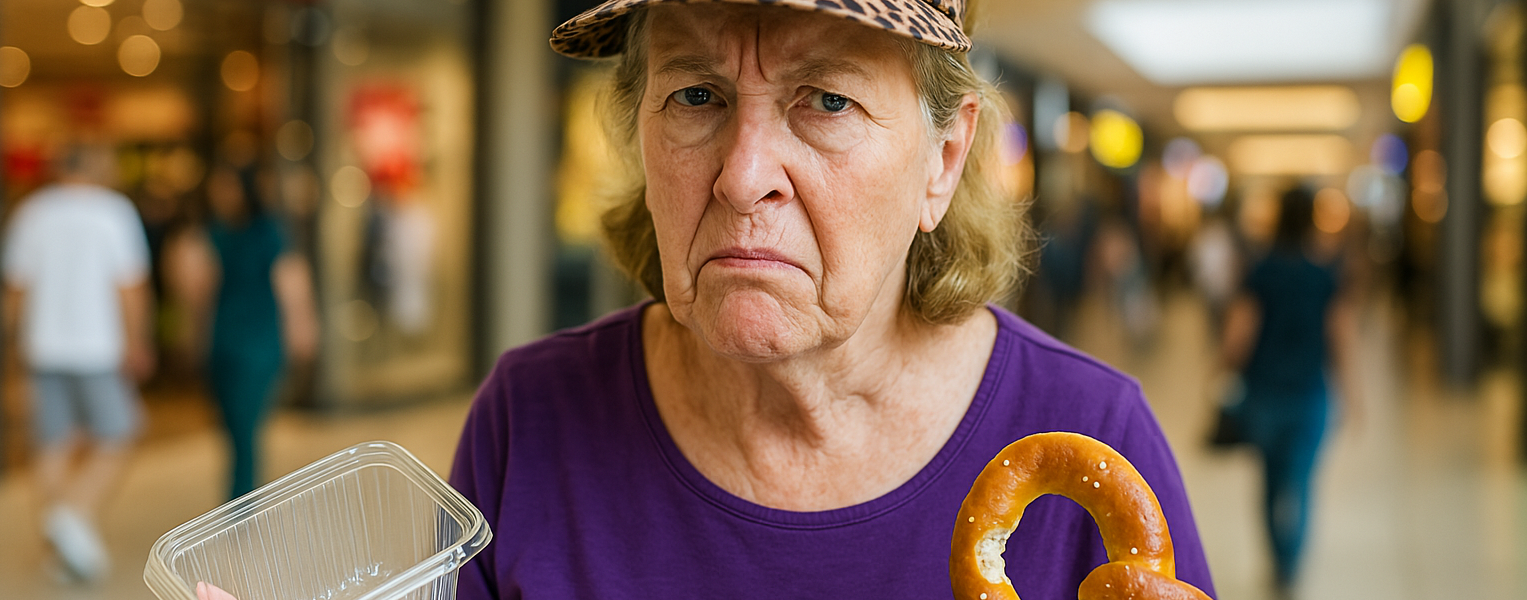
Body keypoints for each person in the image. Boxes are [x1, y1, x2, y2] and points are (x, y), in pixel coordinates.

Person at [449, 1, 1215, 598]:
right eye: (694, 94)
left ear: (942, 162)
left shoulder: (1094, 429)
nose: (744, 177)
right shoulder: (528, 420)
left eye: (827, 101)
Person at [2, 143, 154, 582]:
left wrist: (13, 349)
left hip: (43, 346)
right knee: (122, 431)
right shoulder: (114, 211)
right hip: (97, 348)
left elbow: (15, 291)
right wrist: (137, 341)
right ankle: (72, 514)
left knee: (51, 444)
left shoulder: (31, 213)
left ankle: (63, 548)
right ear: (98, 166)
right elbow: (130, 286)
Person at [1220, 187, 1360, 595]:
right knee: (1300, 484)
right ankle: (1290, 565)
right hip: (1310, 397)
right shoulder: (1326, 274)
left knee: (1268, 482)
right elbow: (1342, 337)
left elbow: (1239, 332)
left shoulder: (1261, 270)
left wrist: (1221, 369)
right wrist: (1354, 395)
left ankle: (1278, 558)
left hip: (1263, 394)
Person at [169, 164, 318, 500]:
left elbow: (291, 283)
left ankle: (241, 501)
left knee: (246, 424)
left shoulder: (268, 232)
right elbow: (197, 293)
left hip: (259, 343)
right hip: (223, 341)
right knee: (233, 427)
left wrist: (302, 328)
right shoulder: (212, 233)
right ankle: (240, 498)